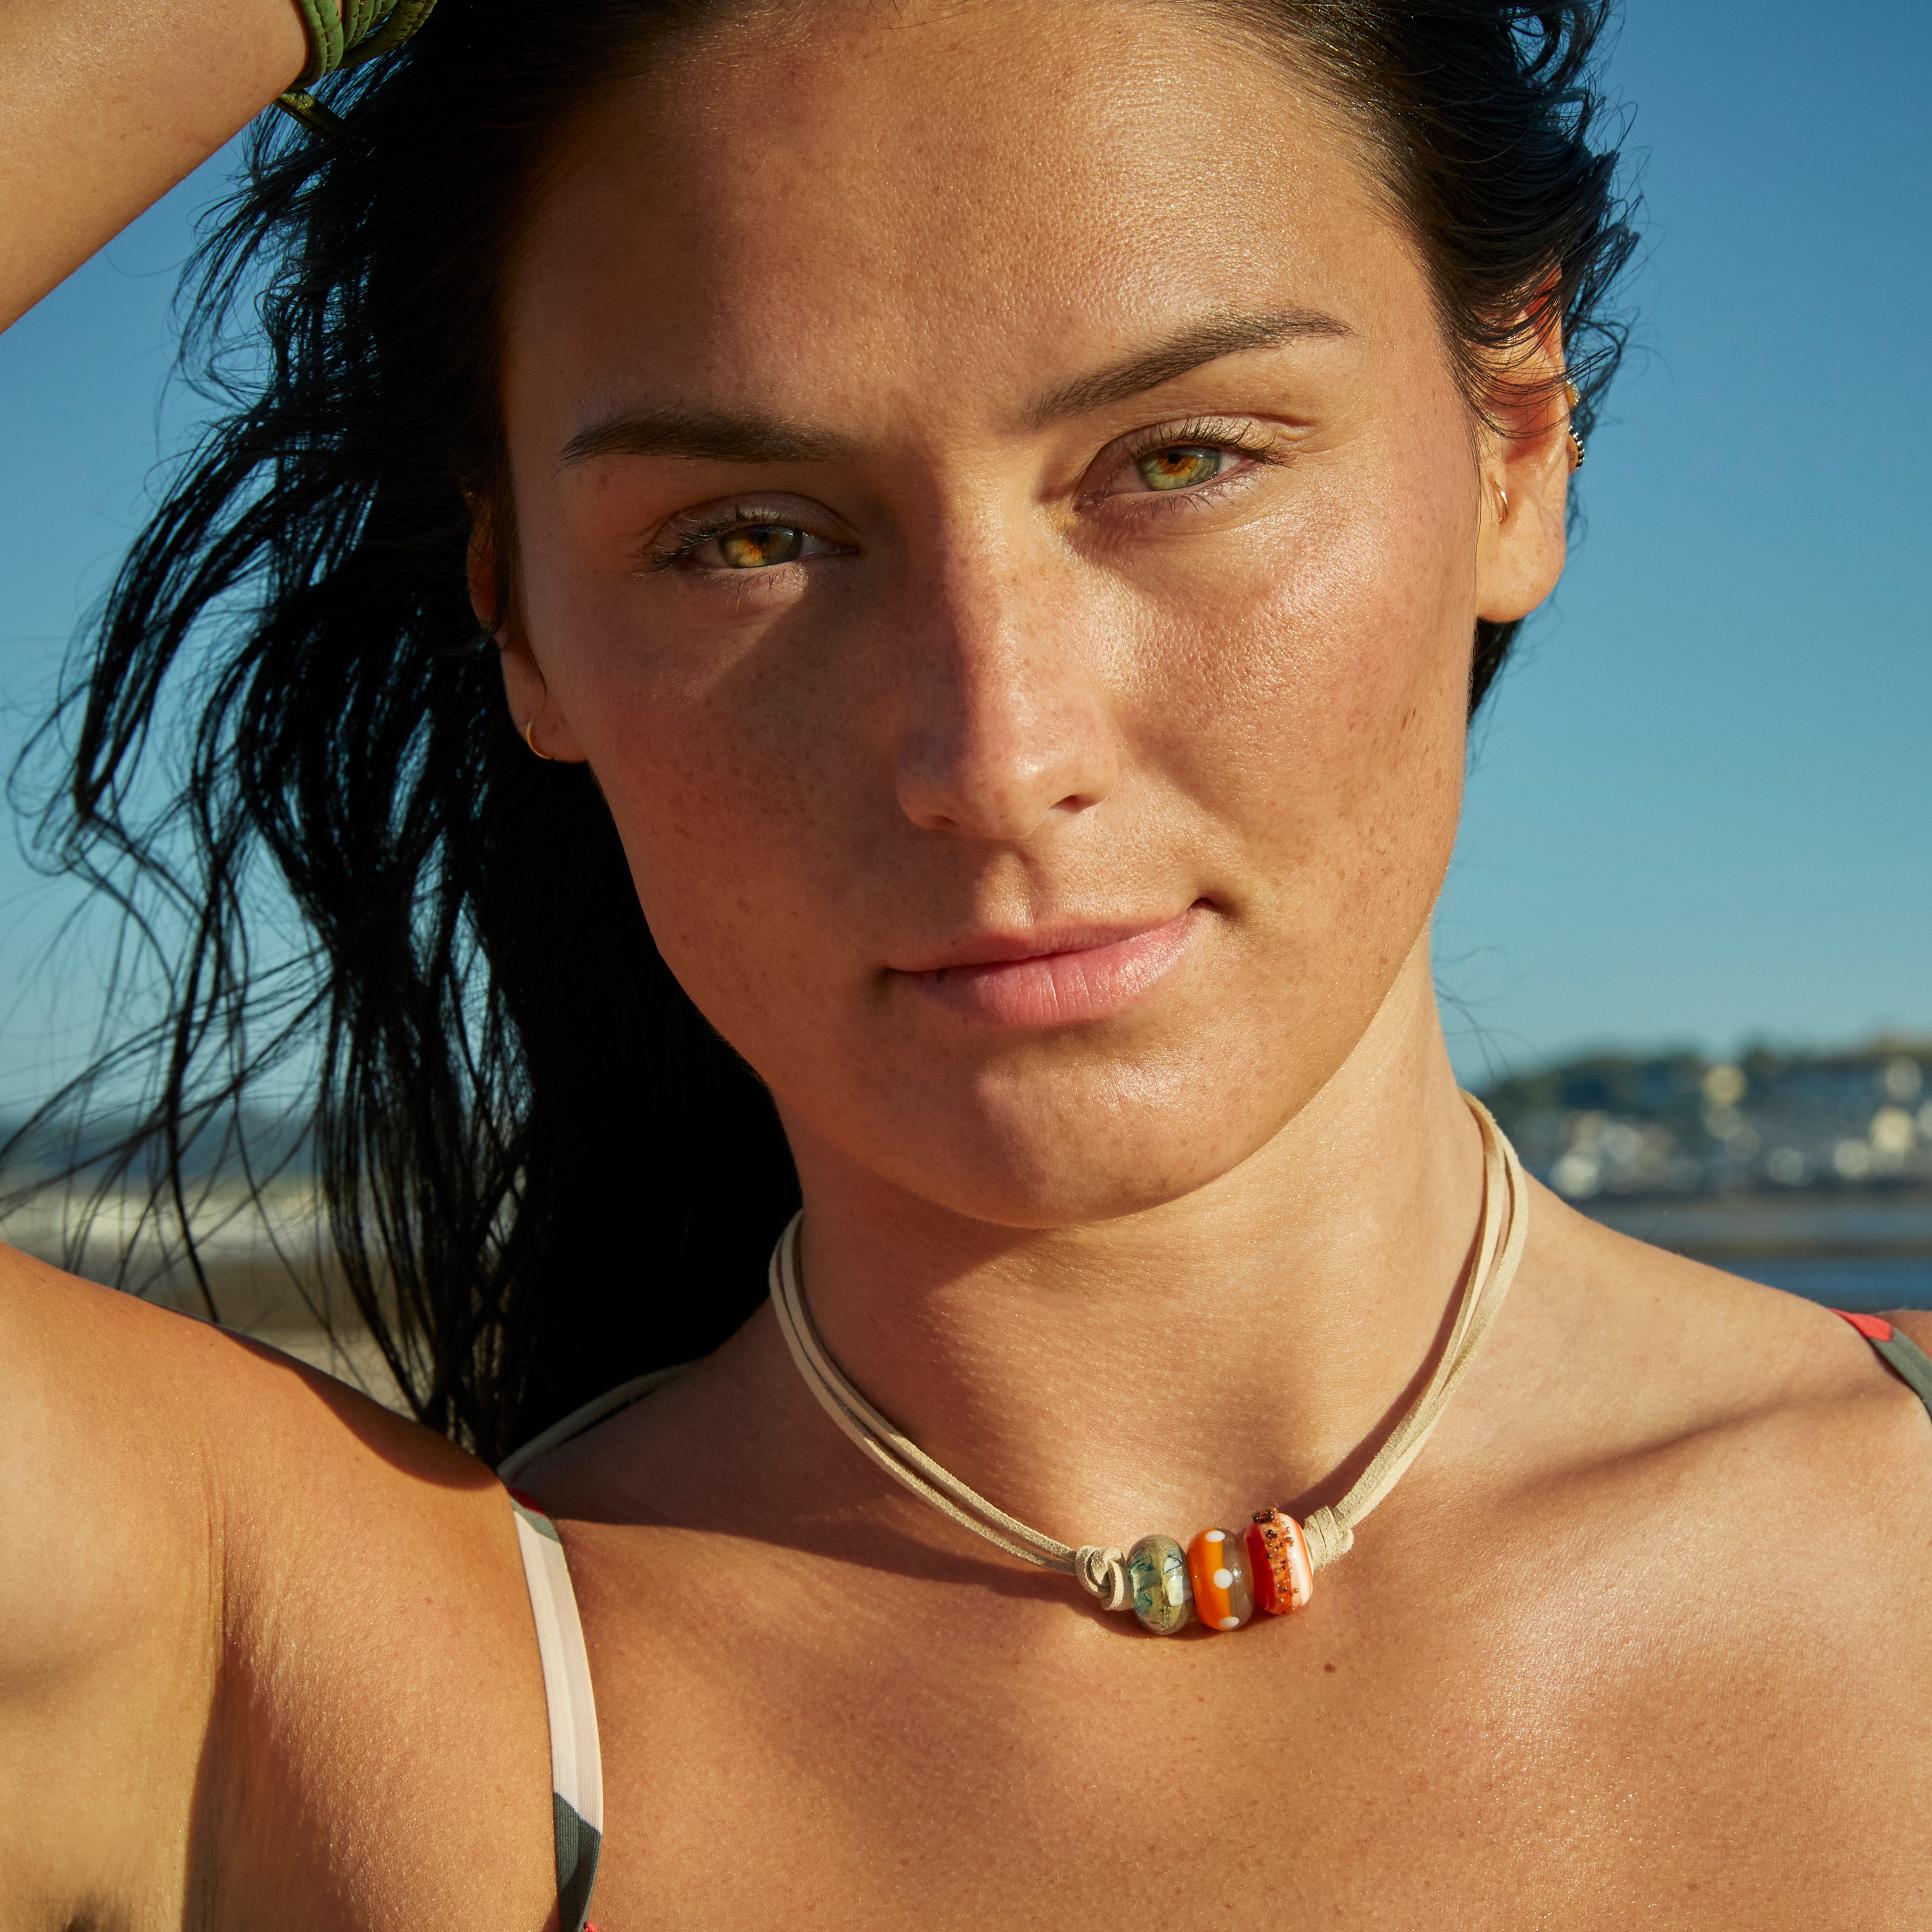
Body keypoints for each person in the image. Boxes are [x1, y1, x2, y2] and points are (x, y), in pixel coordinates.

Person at [3, 1, 1928, 1922]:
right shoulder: (332, 1700)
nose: (994, 757)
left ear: (1517, 438)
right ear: (523, 626)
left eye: (1178, 458)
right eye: (749, 535)